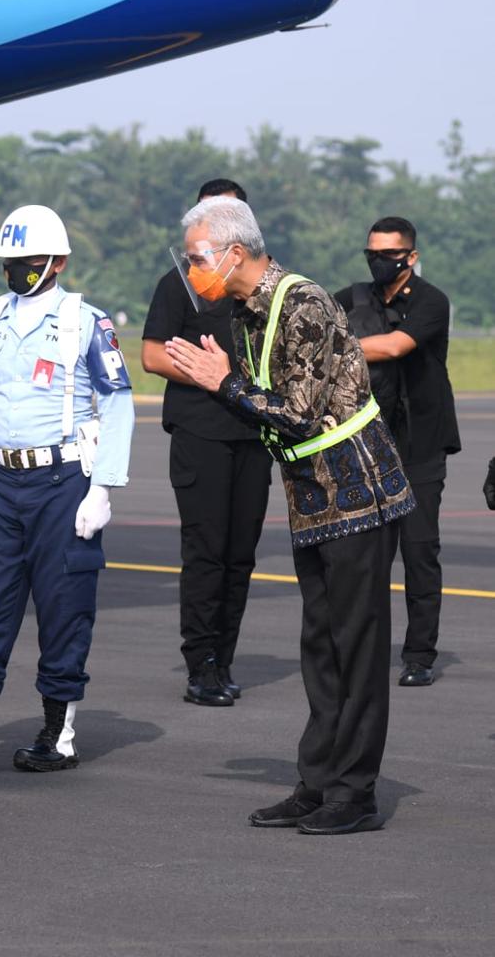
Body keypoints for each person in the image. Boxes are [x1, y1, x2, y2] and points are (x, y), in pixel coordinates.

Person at [166, 197, 415, 835]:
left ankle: (355, 794)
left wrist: (224, 383)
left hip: (358, 492)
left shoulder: (299, 303)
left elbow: (300, 412)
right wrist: (225, 382)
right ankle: (318, 781)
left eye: (198, 259)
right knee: (321, 647)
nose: (193, 272)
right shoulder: (247, 310)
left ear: (235, 253)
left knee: (355, 647)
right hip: (314, 496)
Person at [0, 204, 134, 774]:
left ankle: (58, 736)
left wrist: (103, 487)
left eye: (29, 259)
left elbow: (118, 404)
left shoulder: (86, 321)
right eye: (11, 260)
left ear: (58, 262)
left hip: (61, 482)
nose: (18, 268)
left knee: (65, 608)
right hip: (0, 482)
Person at [142, 179, 271, 706]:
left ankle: (226, 656)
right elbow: (151, 355)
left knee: (241, 555)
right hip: (201, 432)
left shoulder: (264, 290)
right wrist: (212, 376)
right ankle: (201, 664)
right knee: (206, 552)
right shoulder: (180, 284)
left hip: (254, 432)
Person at [336, 218, 460, 687]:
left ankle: (420, 655)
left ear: (410, 256)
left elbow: (394, 346)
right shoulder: (353, 298)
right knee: (366, 555)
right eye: (372, 252)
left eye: (388, 254)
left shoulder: (430, 301)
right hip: (369, 444)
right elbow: (315, 323)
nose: (378, 261)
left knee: (420, 550)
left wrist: (337, 349)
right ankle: (359, 650)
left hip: (421, 444)